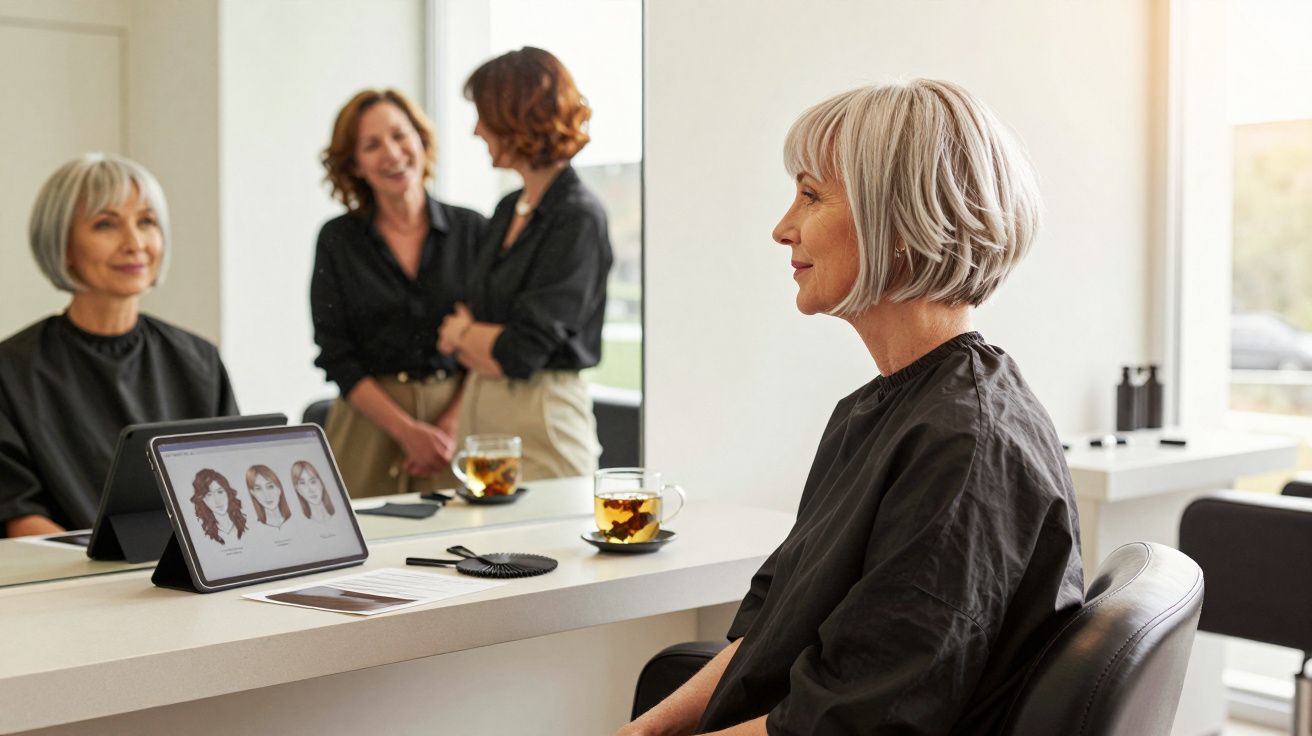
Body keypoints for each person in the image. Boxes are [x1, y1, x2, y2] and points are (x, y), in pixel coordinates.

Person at [619, 80, 1084, 736]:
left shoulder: (964, 448)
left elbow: (850, 724)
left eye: (810, 196)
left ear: (897, 224)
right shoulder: (876, 412)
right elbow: (769, 632)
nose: (782, 228)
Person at [0, 154, 239, 538]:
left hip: (185, 567)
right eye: (106, 224)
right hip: (59, 571)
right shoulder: (11, 369)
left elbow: (227, 483)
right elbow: (17, 515)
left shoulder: (199, 360)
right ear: (62, 244)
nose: (135, 243)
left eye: (146, 222)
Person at [438, 47, 612, 481]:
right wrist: (479, 338)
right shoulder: (506, 209)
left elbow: (520, 352)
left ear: (516, 116)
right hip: (482, 412)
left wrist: (462, 334)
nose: (477, 130)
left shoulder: (577, 217)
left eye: (484, 115)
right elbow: (484, 327)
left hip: (542, 418)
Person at [312, 89, 487, 498]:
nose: (391, 153)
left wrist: (449, 426)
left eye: (399, 135)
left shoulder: (473, 230)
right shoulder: (337, 240)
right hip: (368, 425)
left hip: (460, 422)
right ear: (354, 164)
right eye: (371, 145)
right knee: (366, 535)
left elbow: (490, 333)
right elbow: (336, 353)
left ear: (421, 140)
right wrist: (408, 432)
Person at [190, 469, 247, 545]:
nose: (217, 501)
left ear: (228, 493)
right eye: (209, 494)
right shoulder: (201, 531)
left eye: (220, 492)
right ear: (202, 499)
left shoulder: (245, 521)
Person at [245, 464, 290, 529]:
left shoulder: (295, 519)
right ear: (253, 493)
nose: (266, 495)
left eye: (270, 487)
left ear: (279, 489)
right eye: (258, 489)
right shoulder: (256, 528)